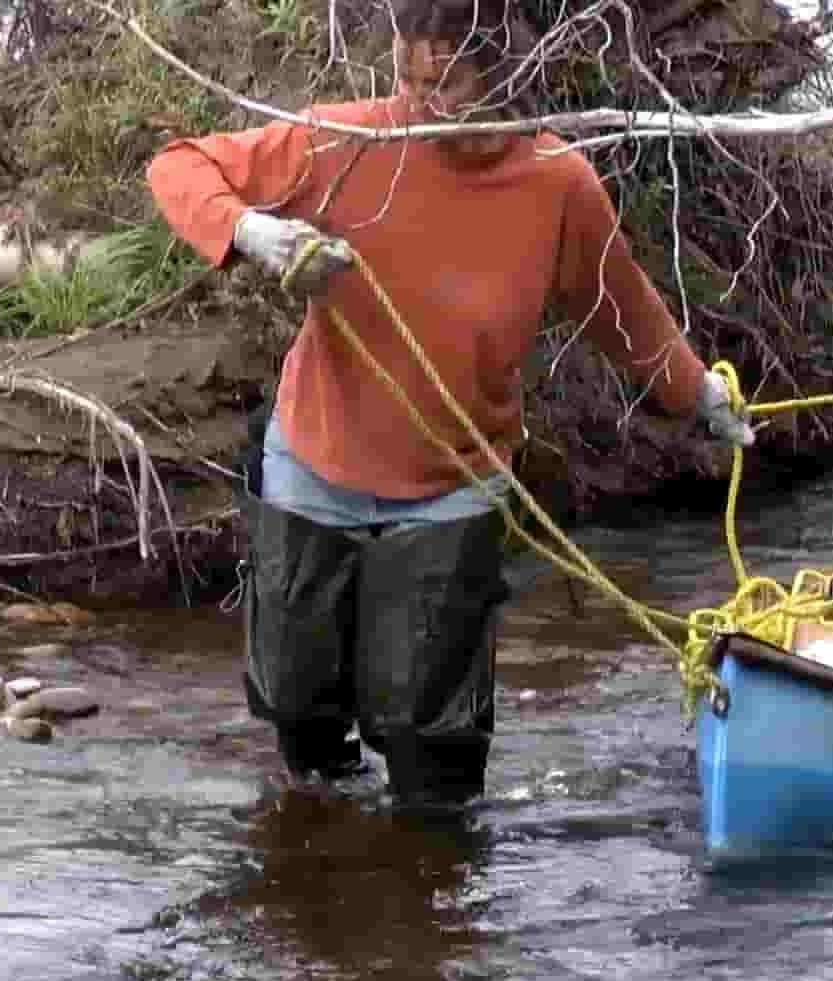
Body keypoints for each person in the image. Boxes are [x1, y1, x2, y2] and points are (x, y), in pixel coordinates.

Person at [145, 0, 753, 804]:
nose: (422, 101)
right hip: (315, 464)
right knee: (302, 724)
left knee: (434, 757)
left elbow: (623, 314)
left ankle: (417, 901)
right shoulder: (349, 141)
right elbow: (180, 167)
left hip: (452, 486)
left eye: (449, 78)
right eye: (408, 74)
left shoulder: (556, 183)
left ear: (506, 74)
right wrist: (255, 233)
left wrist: (698, 394)